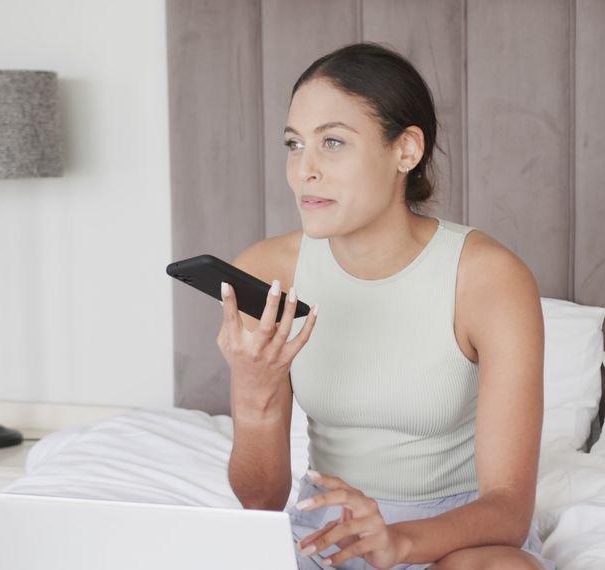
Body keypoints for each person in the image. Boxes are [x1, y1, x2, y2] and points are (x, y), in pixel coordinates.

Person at [217, 42, 551, 570]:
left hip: (454, 539)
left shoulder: (489, 278)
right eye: (293, 143)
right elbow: (258, 501)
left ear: (406, 150)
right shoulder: (267, 271)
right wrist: (254, 393)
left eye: (332, 142)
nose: (304, 169)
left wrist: (397, 544)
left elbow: (508, 507)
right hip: (322, 533)